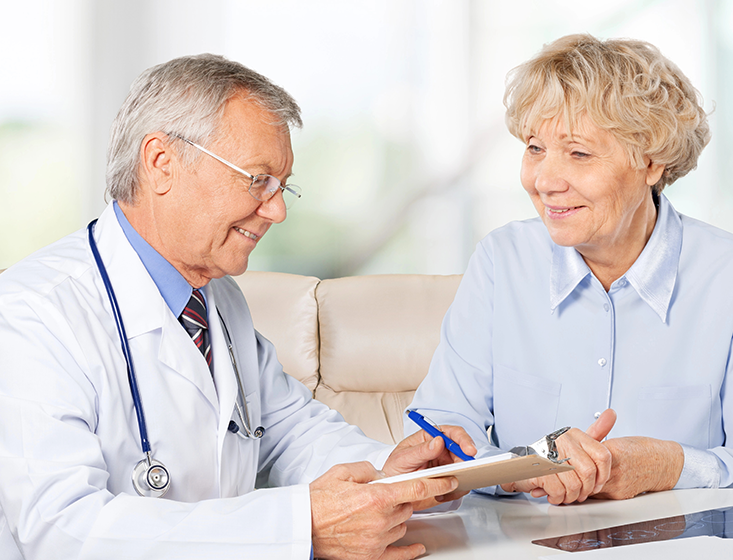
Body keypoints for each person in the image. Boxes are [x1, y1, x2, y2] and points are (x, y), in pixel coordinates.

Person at [0, 54, 477, 560]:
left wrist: (390, 474)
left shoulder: (217, 298)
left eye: (282, 186)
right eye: (258, 180)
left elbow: (288, 432)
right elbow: (62, 531)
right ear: (162, 163)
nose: (278, 209)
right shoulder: (33, 315)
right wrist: (300, 528)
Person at [406, 34, 733, 505]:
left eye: (578, 153)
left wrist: (668, 465)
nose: (544, 181)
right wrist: (525, 467)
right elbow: (439, 434)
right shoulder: (502, 261)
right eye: (535, 148)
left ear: (651, 161)